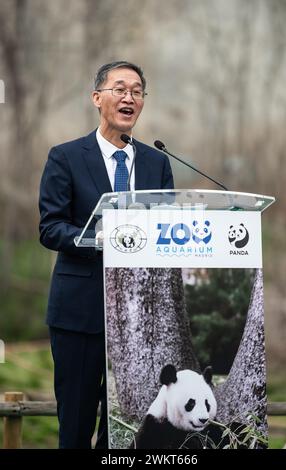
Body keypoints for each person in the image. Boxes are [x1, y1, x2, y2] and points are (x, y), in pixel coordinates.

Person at [39, 61, 174, 449]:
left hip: (139, 318)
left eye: (136, 90)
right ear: (98, 98)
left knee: (124, 427)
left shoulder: (157, 162)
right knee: (77, 423)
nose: (129, 96)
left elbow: (164, 230)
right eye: (119, 88)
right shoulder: (65, 156)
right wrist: (100, 238)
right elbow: (50, 228)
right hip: (79, 312)